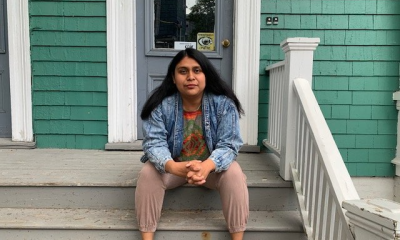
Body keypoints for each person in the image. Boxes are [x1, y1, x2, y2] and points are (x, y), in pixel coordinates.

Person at [136, 48, 249, 240]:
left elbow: (229, 145)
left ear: (206, 75)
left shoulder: (223, 105)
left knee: (235, 172)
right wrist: (172, 166)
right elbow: (154, 144)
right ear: (173, 77)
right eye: (183, 71)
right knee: (148, 171)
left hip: (212, 170)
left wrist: (207, 166)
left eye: (197, 70)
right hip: (175, 170)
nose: (190, 77)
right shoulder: (161, 105)